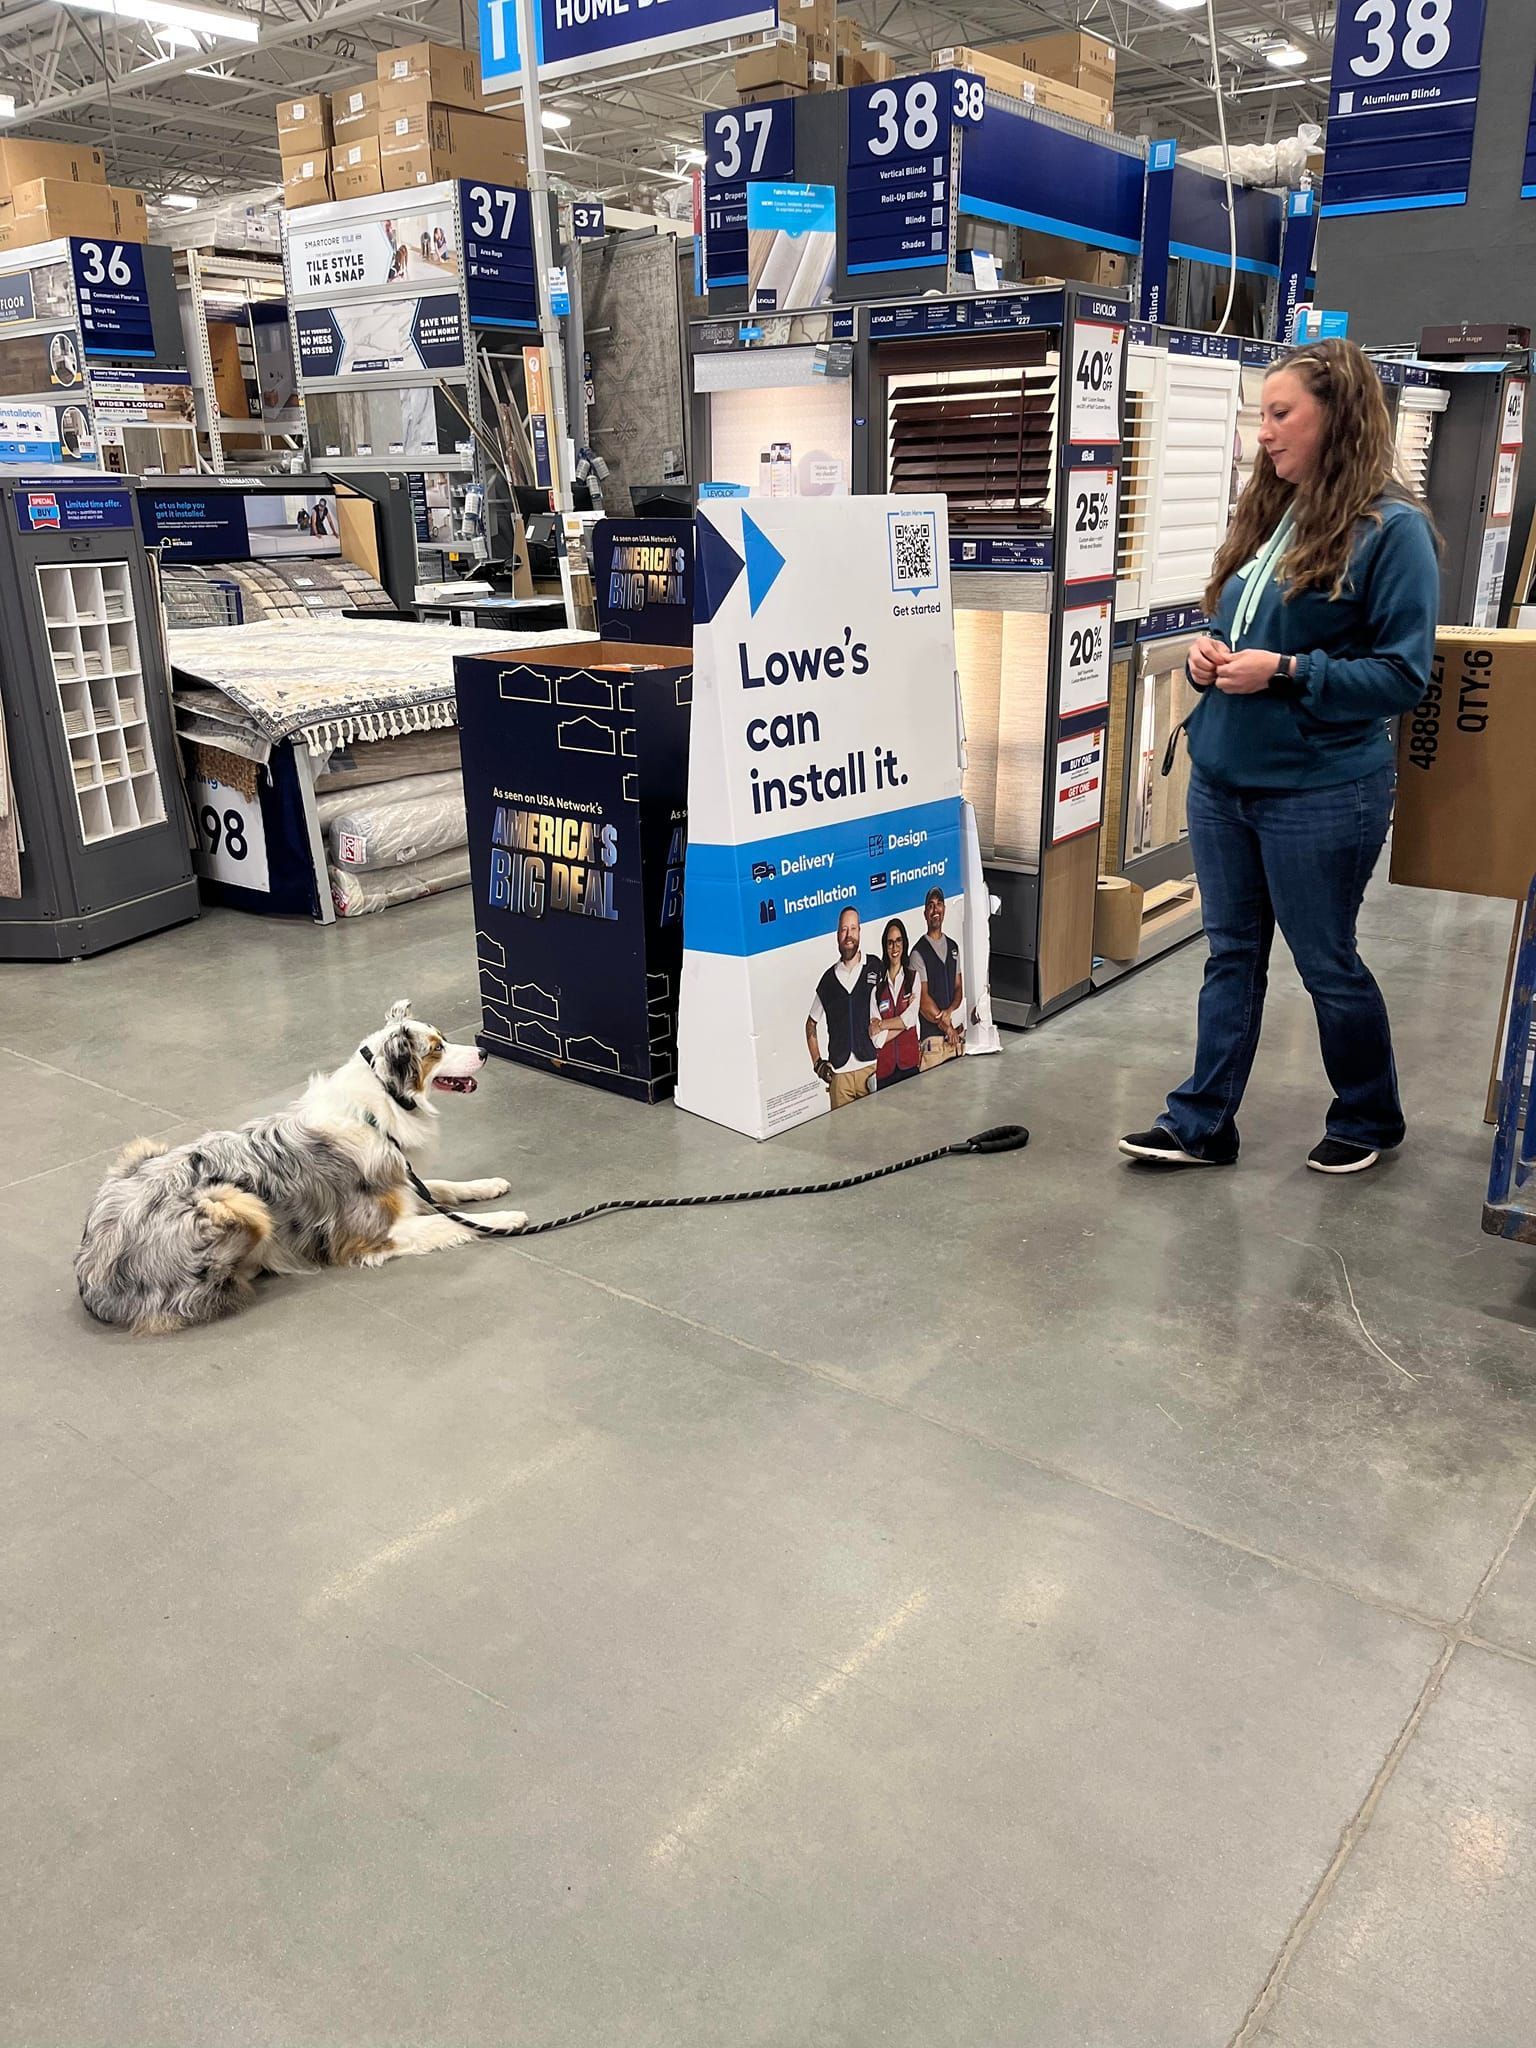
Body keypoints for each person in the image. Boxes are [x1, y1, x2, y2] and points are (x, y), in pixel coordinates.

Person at [1119, 338, 1439, 1177]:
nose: (1262, 432)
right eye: (1260, 414)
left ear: (1336, 416)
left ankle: (1369, 1116)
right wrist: (1210, 655)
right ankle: (1201, 1123)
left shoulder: (1392, 532)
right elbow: (1247, 629)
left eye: (1280, 413)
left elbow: (1403, 676)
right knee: (1231, 956)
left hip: (1321, 791)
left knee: (1326, 962)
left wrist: (1290, 671)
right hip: (1225, 779)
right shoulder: (1275, 508)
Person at [806, 906, 881, 1111]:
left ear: (860, 931)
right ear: (837, 935)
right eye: (844, 929)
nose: (849, 935)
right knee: (843, 1139)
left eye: (853, 929)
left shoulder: (875, 967)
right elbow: (811, 1024)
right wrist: (818, 1064)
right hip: (840, 1077)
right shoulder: (828, 981)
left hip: (872, 1068)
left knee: (879, 1136)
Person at [912, 886, 964, 1068]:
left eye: (939, 904)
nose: (936, 910)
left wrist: (949, 1012)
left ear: (944, 909)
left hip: (956, 1039)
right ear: (925, 913)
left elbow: (958, 987)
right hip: (932, 1045)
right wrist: (945, 1026)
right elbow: (922, 999)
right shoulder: (918, 953)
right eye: (931, 906)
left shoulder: (953, 947)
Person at [871, 918, 921, 1087]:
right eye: (890, 943)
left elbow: (911, 1019)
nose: (895, 947)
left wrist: (883, 1024)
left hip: (910, 1064)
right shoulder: (877, 990)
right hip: (885, 1070)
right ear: (885, 947)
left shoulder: (913, 978)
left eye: (898, 941)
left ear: (904, 943)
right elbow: (877, 1040)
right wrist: (903, 1022)